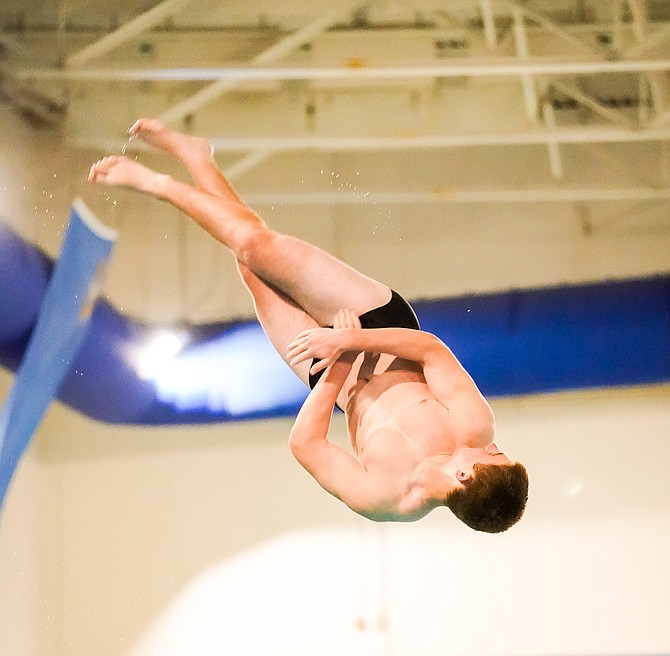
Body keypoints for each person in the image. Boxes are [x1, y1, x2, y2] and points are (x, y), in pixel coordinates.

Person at [88, 118, 528, 531]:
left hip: (331, 375)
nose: (494, 445)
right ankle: (157, 184)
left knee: (250, 264)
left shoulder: (386, 500)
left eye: (497, 456)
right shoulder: (475, 425)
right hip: (373, 322)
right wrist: (352, 337)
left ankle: (199, 159)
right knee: (256, 245)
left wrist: (338, 363)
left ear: (466, 475)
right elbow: (430, 349)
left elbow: (306, 446)